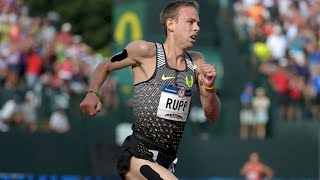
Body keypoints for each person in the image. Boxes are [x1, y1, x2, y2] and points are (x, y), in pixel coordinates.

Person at [80, 1, 221, 179]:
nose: (197, 28)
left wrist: (209, 87)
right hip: (138, 154)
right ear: (171, 24)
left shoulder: (196, 62)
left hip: (167, 161)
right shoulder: (146, 51)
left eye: (198, 23)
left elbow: (212, 115)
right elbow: (105, 65)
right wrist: (92, 93)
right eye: (190, 22)